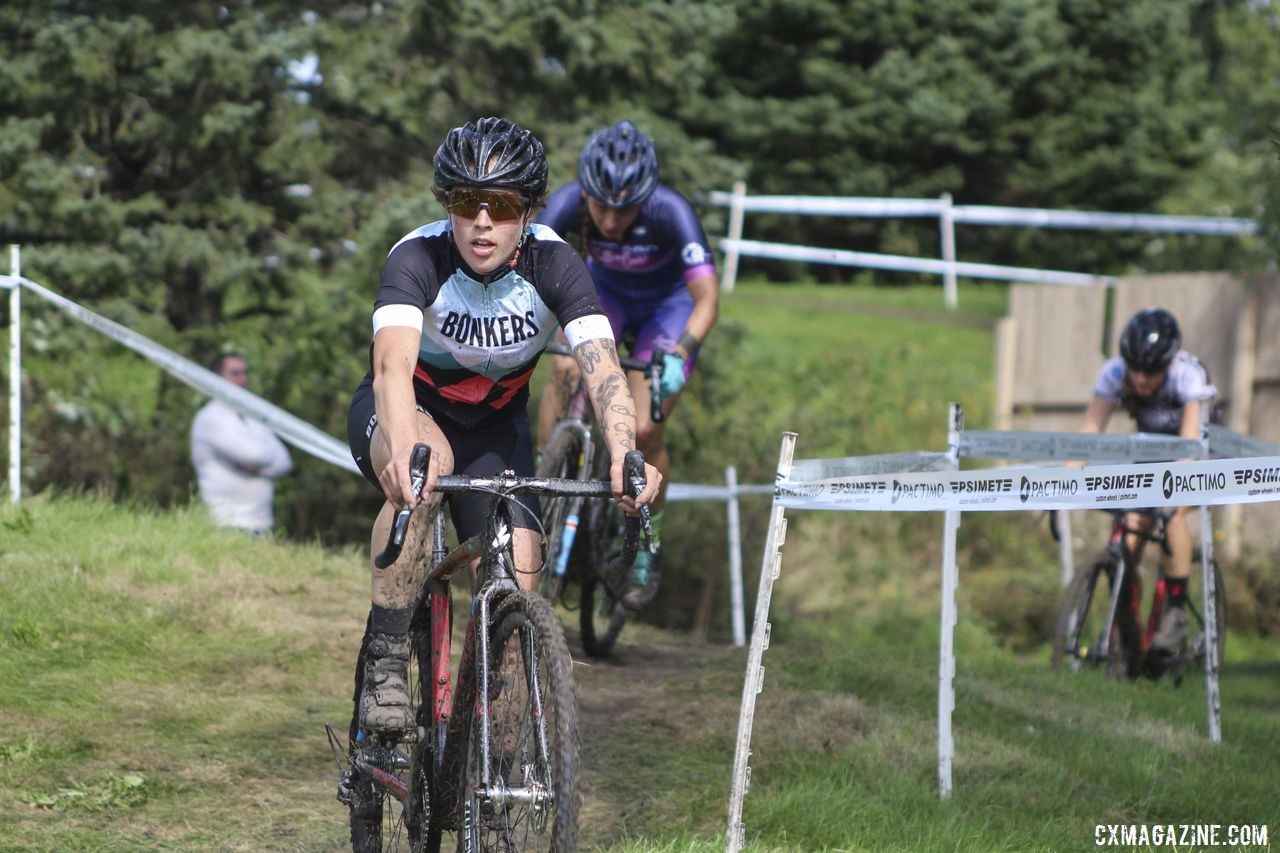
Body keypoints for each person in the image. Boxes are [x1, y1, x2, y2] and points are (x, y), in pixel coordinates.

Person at [346, 117, 662, 733]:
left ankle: (493, 774)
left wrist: (626, 453)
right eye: (467, 202)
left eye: (503, 204)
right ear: (448, 206)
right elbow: (391, 367)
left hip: (494, 427)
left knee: (521, 575)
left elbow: (602, 371)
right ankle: (386, 658)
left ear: (528, 210)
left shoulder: (555, 264)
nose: (483, 221)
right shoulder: (418, 255)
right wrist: (405, 443)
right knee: (424, 469)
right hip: (408, 408)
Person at [536, 119, 718, 610]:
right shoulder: (569, 203)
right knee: (564, 368)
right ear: (586, 194)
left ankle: (647, 540)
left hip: (668, 307)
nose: (612, 222)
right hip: (606, 294)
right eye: (601, 208)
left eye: (625, 210)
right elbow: (529, 263)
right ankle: (542, 471)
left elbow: (707, 299)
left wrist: (680, 352)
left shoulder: (670, 211)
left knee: (641, 429)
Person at [1076, 307, 1216, 668]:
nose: (1139, 378)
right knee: (1130, 531)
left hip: (1199, 450)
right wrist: (1066, 481)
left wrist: (1173, 496)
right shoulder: (1114, 374)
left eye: (1150, 371)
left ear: (1167, 365)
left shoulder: (1189, 376)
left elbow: (1189, 447)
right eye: (1134, 367)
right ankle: (1125, 629)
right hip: (1152, 453)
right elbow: (1088, 433)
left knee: (1172, 516)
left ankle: (1174, 612)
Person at [190, 352, 293, 535]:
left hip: (261, 525)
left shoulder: (253, 418)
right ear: (216, 378)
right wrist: (265, 459)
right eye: (235, 373)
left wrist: (260, 469)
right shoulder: (211, 418)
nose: (242, 379)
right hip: (227, 525)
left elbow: (284, 461)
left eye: (245, 373)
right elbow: (256, 455)